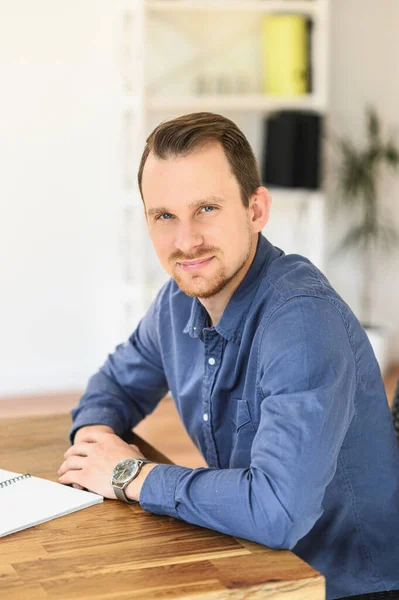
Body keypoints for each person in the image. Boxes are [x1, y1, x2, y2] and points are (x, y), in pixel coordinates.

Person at [58, 112, 399, 600]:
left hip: (343, 587)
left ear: (255, 210)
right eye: (165, 216)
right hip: (254, 565)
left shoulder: (302, 321)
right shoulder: (179, 300)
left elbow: (277, 511)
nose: (186, 241)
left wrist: (129, 474)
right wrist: (95, 443)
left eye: (207, 209)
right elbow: (114, 384)